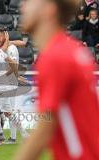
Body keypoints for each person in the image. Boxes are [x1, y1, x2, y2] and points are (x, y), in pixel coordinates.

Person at [14, 0, 99, 159]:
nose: (22, 6)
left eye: (30, 2)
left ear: (48, 10)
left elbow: (44, 128)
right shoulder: (70, 51)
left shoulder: (55, 57)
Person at [0, 28, 28, 144]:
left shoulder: (12, 49)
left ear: (4, 37)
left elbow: (14, 66)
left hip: (9, 83)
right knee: (2, 111)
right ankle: (1, 136)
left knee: (7, 111)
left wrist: (16, 77)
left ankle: (12, 137)